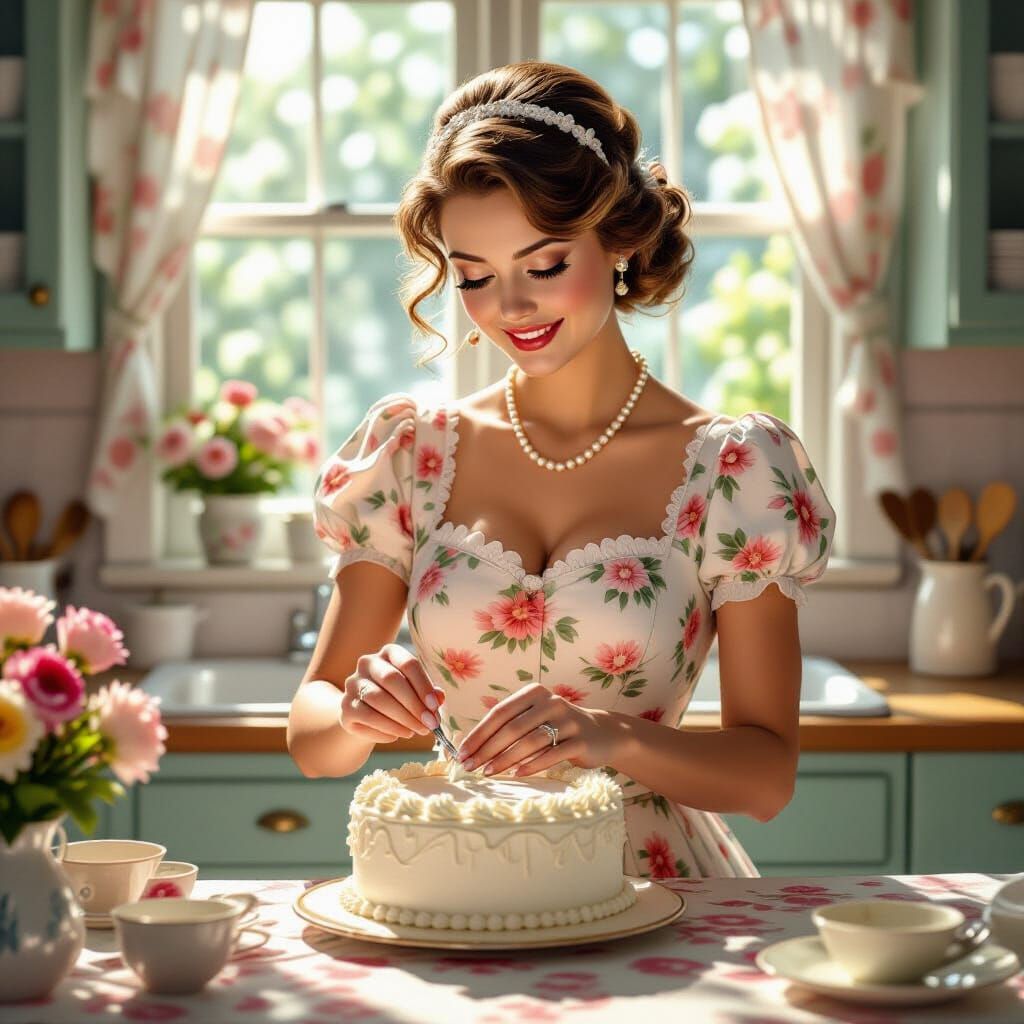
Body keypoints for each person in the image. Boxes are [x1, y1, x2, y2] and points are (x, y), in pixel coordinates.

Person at [287, 61, 836, 878]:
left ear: (621, 239)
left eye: (543, 266)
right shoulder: (411, 455)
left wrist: (606, 736)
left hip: (655, 893)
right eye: (474, 275)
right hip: (455, 883)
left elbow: (767, 775)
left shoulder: (733, 469)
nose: (510, 307)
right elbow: (313, 735)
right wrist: (359, 712)